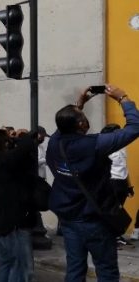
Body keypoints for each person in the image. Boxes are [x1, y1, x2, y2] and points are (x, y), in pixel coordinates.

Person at [47, 85, 139, 281]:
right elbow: (135, 128)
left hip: (68, 220)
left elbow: (62, 126)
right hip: (93, 220)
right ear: (81, 125)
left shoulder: (54, 144)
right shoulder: (93, 145)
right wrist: (123, 98)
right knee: (106, 271)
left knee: (74, 269)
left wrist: (79, 105)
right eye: (82, 117)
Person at [0, 129, 38, 282]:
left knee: (6, 260)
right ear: (3, 143)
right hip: (10, 220)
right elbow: (26, 147)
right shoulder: (3, 160)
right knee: (18, 263)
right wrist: (22, 135)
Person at [101, 123, 134, 247]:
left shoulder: (122, 146)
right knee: (111, 209)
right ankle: (110, 236)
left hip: (122, 181)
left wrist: (129, 185)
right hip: (111, 181)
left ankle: (116, 235)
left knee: (119, 209)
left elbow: (124, 166)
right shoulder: (105, 146)